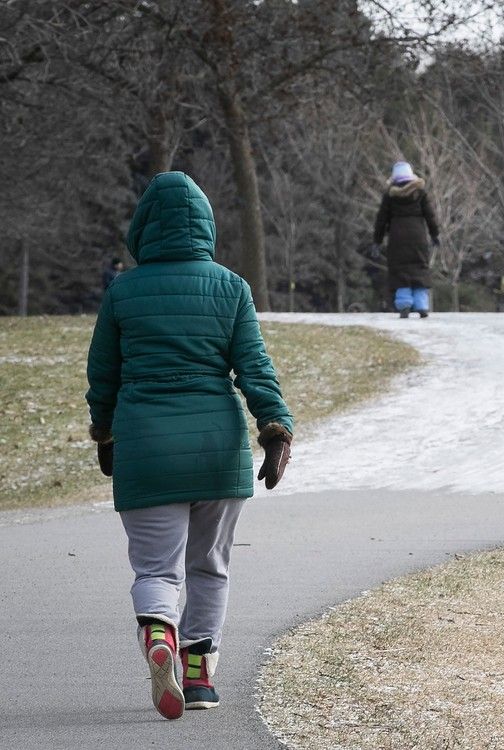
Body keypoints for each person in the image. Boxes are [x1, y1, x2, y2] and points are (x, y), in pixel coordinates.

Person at [86, 171, 294, 721]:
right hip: (217, 449)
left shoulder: (122, 292)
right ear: (206, 225)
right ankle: (199, 676)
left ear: (143, 228)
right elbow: (255, 367)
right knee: (210, 566)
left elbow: (102, 373)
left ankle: (160, 634)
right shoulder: (231, 287)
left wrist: (105, 432)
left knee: (157, 571)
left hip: (147, 450)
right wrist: (274, 430)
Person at [373, 161, 440, 318]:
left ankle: (404, 304)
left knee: (400, 270)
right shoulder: (420, 194)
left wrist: (377, 240)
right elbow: (430, 216)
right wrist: (435, 234)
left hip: (397, 238)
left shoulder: (390, 196)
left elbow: (381, 220)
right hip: (418, 237)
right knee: (419, 267)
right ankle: (422, 305)